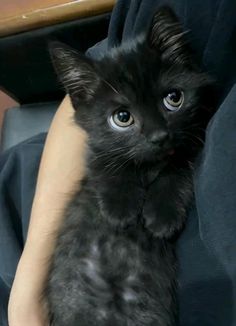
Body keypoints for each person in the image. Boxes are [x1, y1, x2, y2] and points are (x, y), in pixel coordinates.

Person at [0, 0, 235, 325]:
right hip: (41, 219)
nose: (156, 135)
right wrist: (27, 289)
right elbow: (96, 71)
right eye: (125, 117)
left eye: (173, 100)